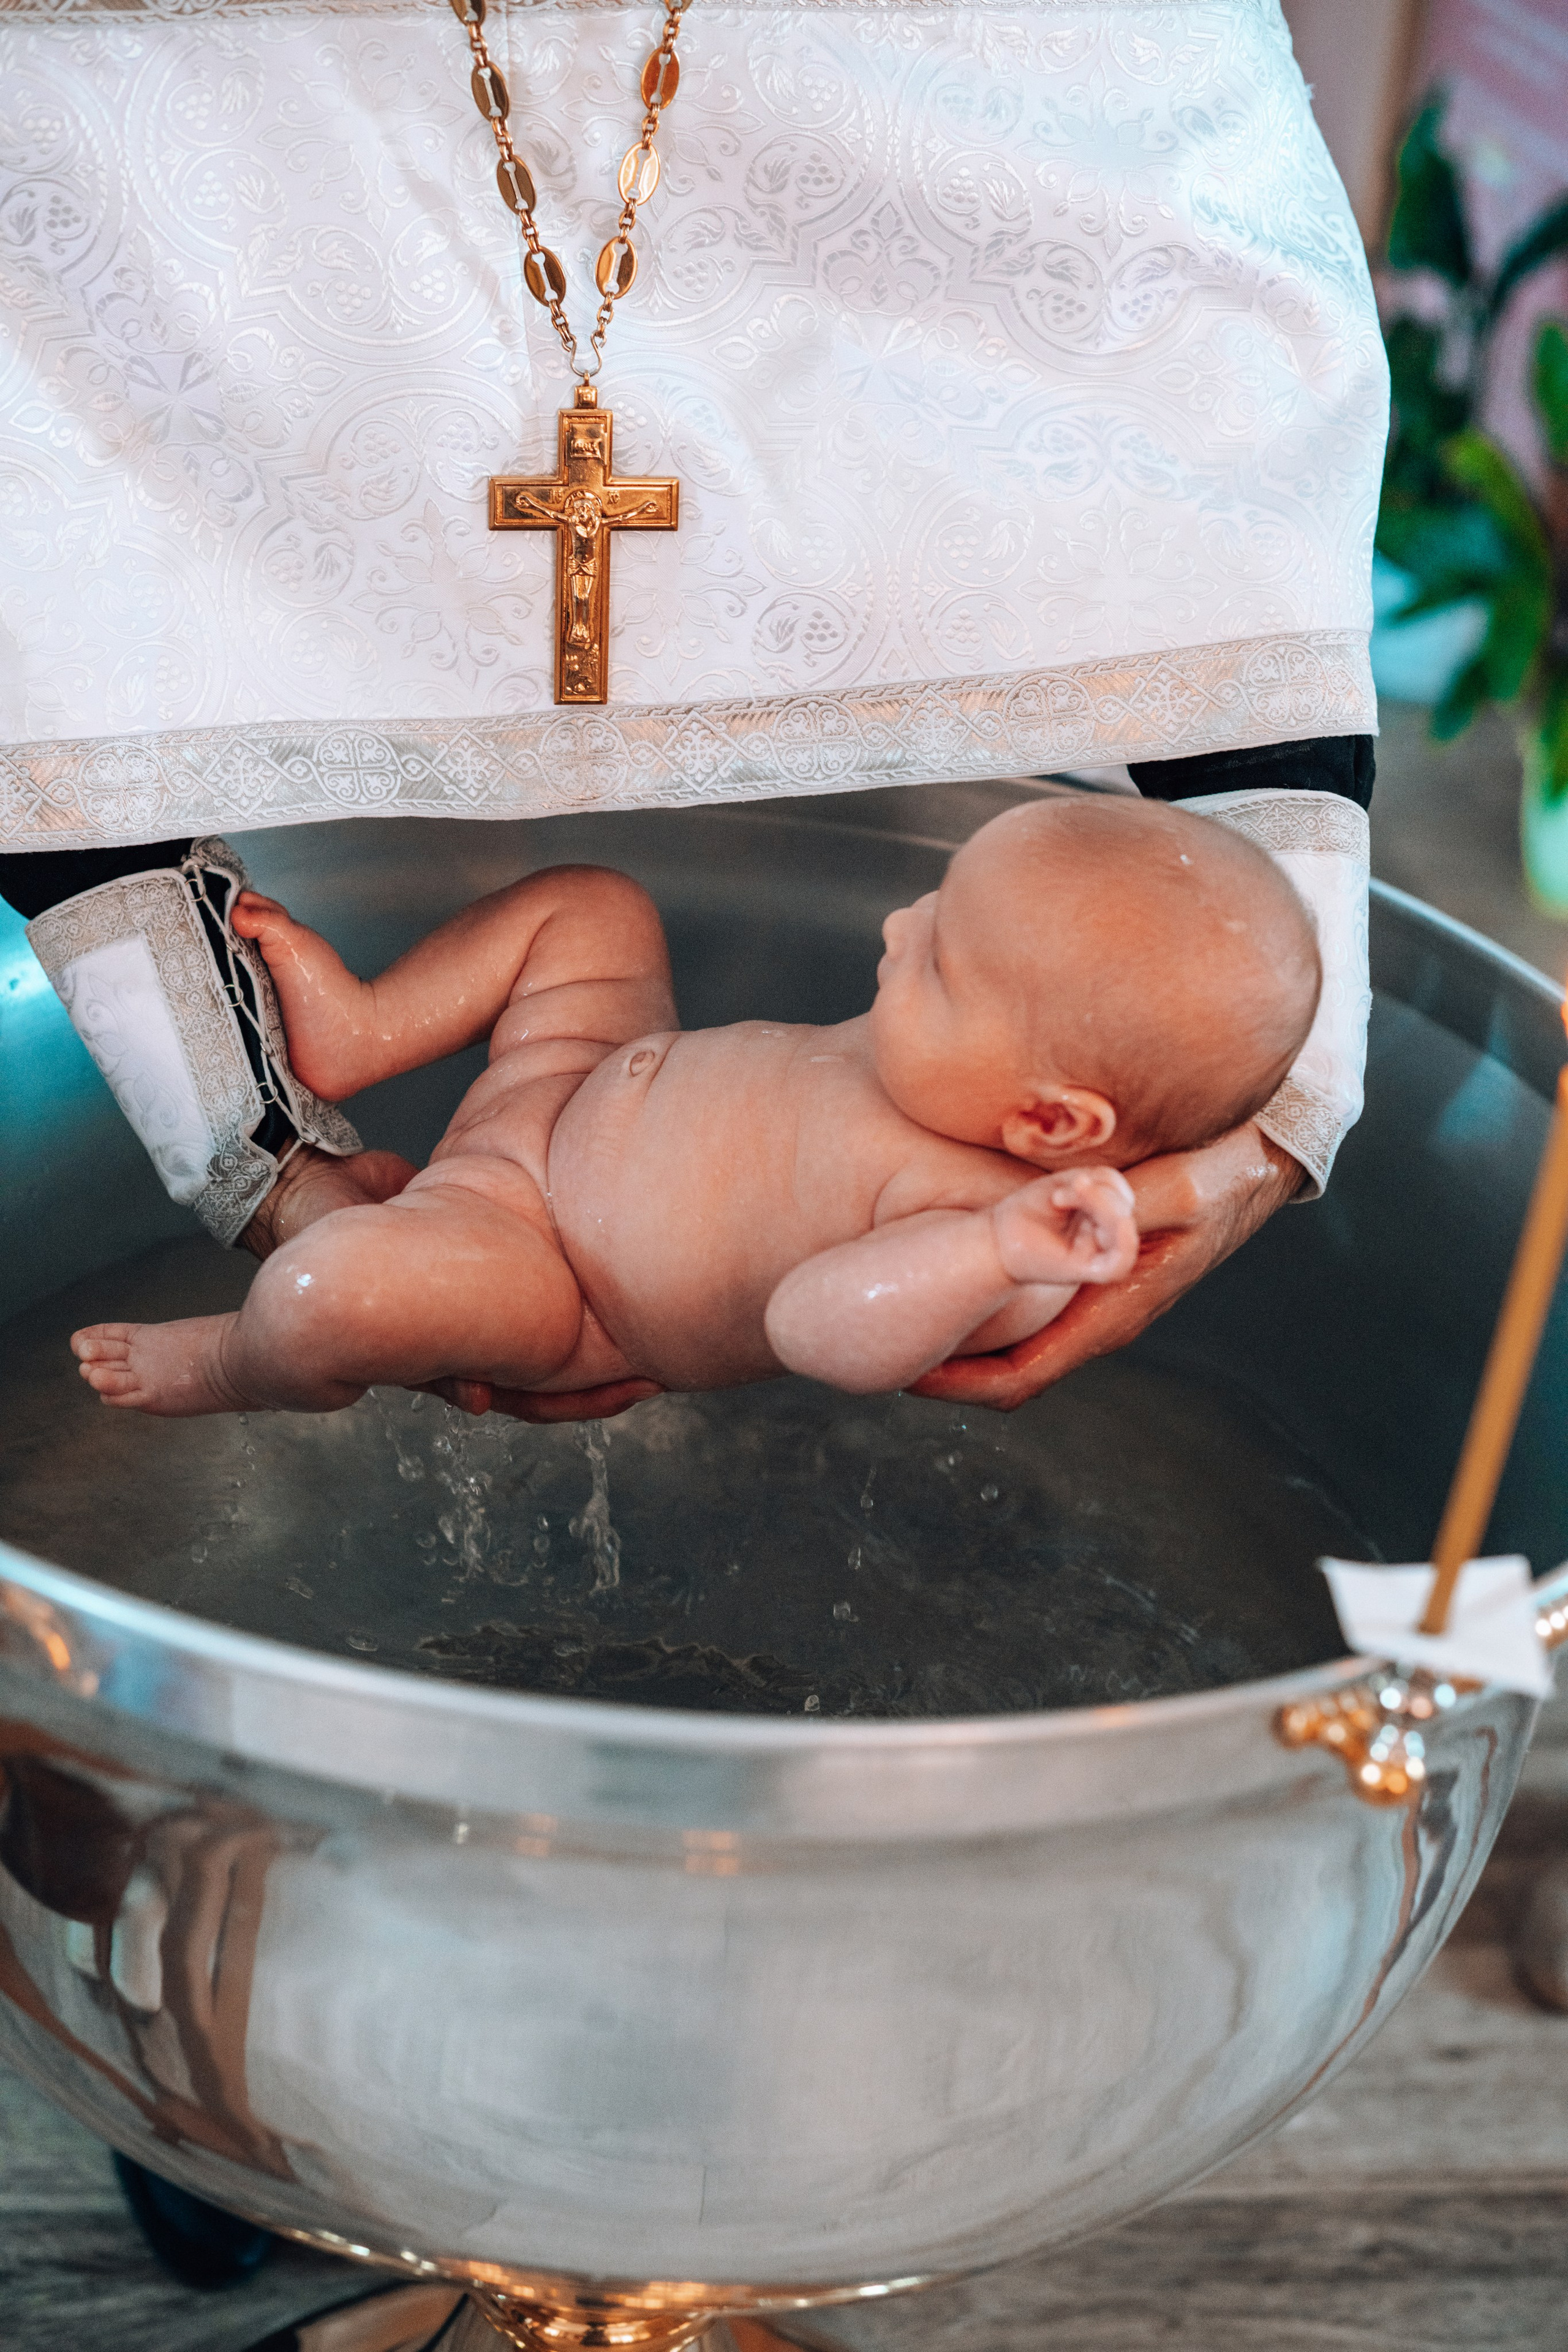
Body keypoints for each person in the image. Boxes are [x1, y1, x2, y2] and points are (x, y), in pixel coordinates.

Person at [68, 795, 1320, 1420]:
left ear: (1050, 1130)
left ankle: (231, 1362)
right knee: (594, 905)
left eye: (937, 958)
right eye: (930, 906)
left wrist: (993, 1249)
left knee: (333, 1292)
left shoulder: (994, 1223)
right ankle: (367, 1030)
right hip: (576, 1071)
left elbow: (815, 1328)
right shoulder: (972, 1077)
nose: (896, 927)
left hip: (555, 1264)